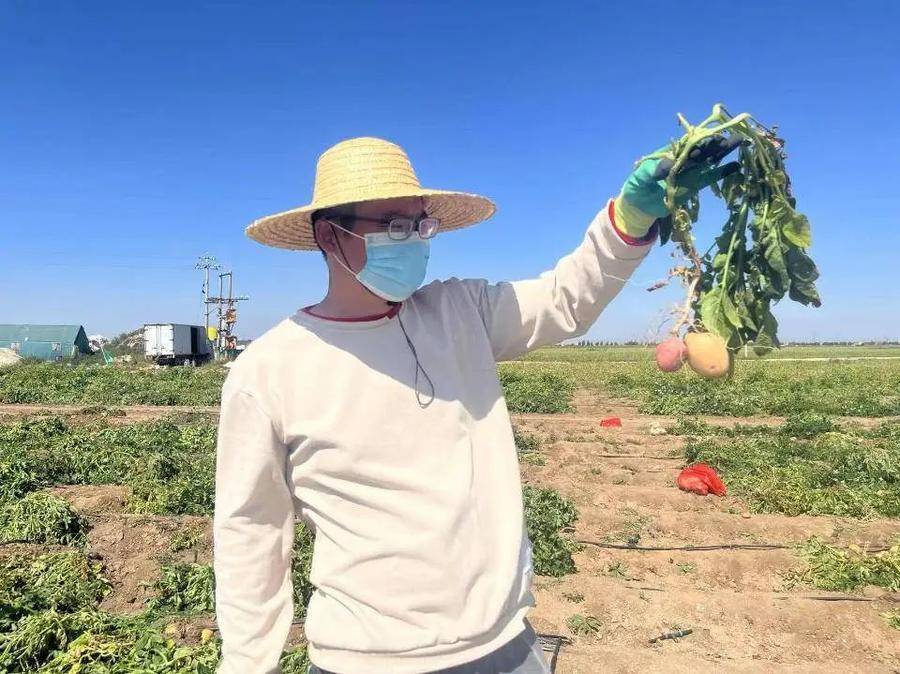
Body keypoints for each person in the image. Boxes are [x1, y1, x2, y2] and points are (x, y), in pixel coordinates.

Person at [213, 135, 740, 674]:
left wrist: (627, 220)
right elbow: (250, 530)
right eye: (395, 226)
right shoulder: (270, 369)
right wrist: (249, 664)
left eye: (421, 226)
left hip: (505, 644)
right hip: (366, 657)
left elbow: (566, 300)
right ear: (331, 235)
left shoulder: (460, 312)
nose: (415, 241)